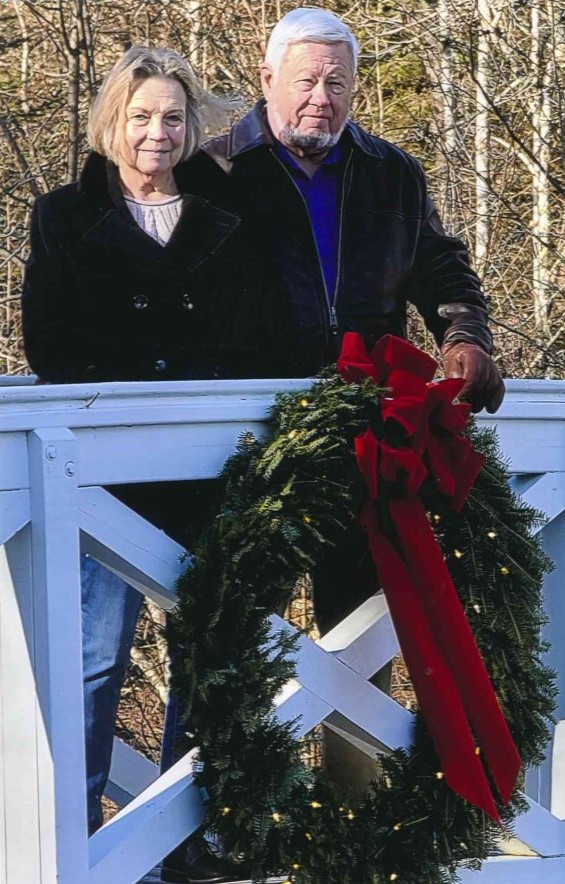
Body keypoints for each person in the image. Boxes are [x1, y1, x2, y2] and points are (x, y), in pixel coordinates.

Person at [197, 7, 505, 800]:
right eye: (305, 80)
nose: (320, 98)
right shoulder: (212, 172)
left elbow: (443, 272)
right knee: (243, 629)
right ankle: (238, 812)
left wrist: (464, 334)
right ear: (267, 79)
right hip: (246, 439)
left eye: (337, 83)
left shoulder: (390, 173)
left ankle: (354, 813)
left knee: (361, 625)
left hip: (367, 433)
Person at [21, 44, 289, 884]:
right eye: (140, 116)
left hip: (205, 472)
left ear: (190, 125)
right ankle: (74, 842)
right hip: (100, 478)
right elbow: (49, 345)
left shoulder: (227, 214)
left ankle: (180, 844)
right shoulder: (64, 215)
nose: (156, 132)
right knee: (93, 658)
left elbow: (257, 335)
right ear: (112, 119)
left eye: (173, 117)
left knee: (207, 656)